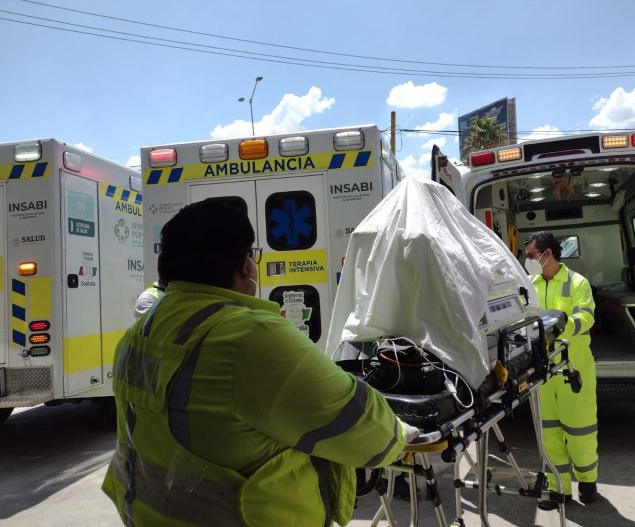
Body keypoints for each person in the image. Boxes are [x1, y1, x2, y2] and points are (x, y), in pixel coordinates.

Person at [102, 197, 415, 527]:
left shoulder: (141, 332)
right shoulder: (248, 340)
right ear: (246, 265)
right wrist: (401, 433)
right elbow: (370, 433)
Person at [523, 231, 598, 510]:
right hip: (541, 371)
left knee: (580, 430)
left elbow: (586, 317)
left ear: (548, 254)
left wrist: (555, 326)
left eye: (531, 255)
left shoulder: (577, 282)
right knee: (548, 431)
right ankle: (558, 488)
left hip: (573, 369)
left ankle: (588, 480)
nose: (528, 260)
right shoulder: (528, 284)